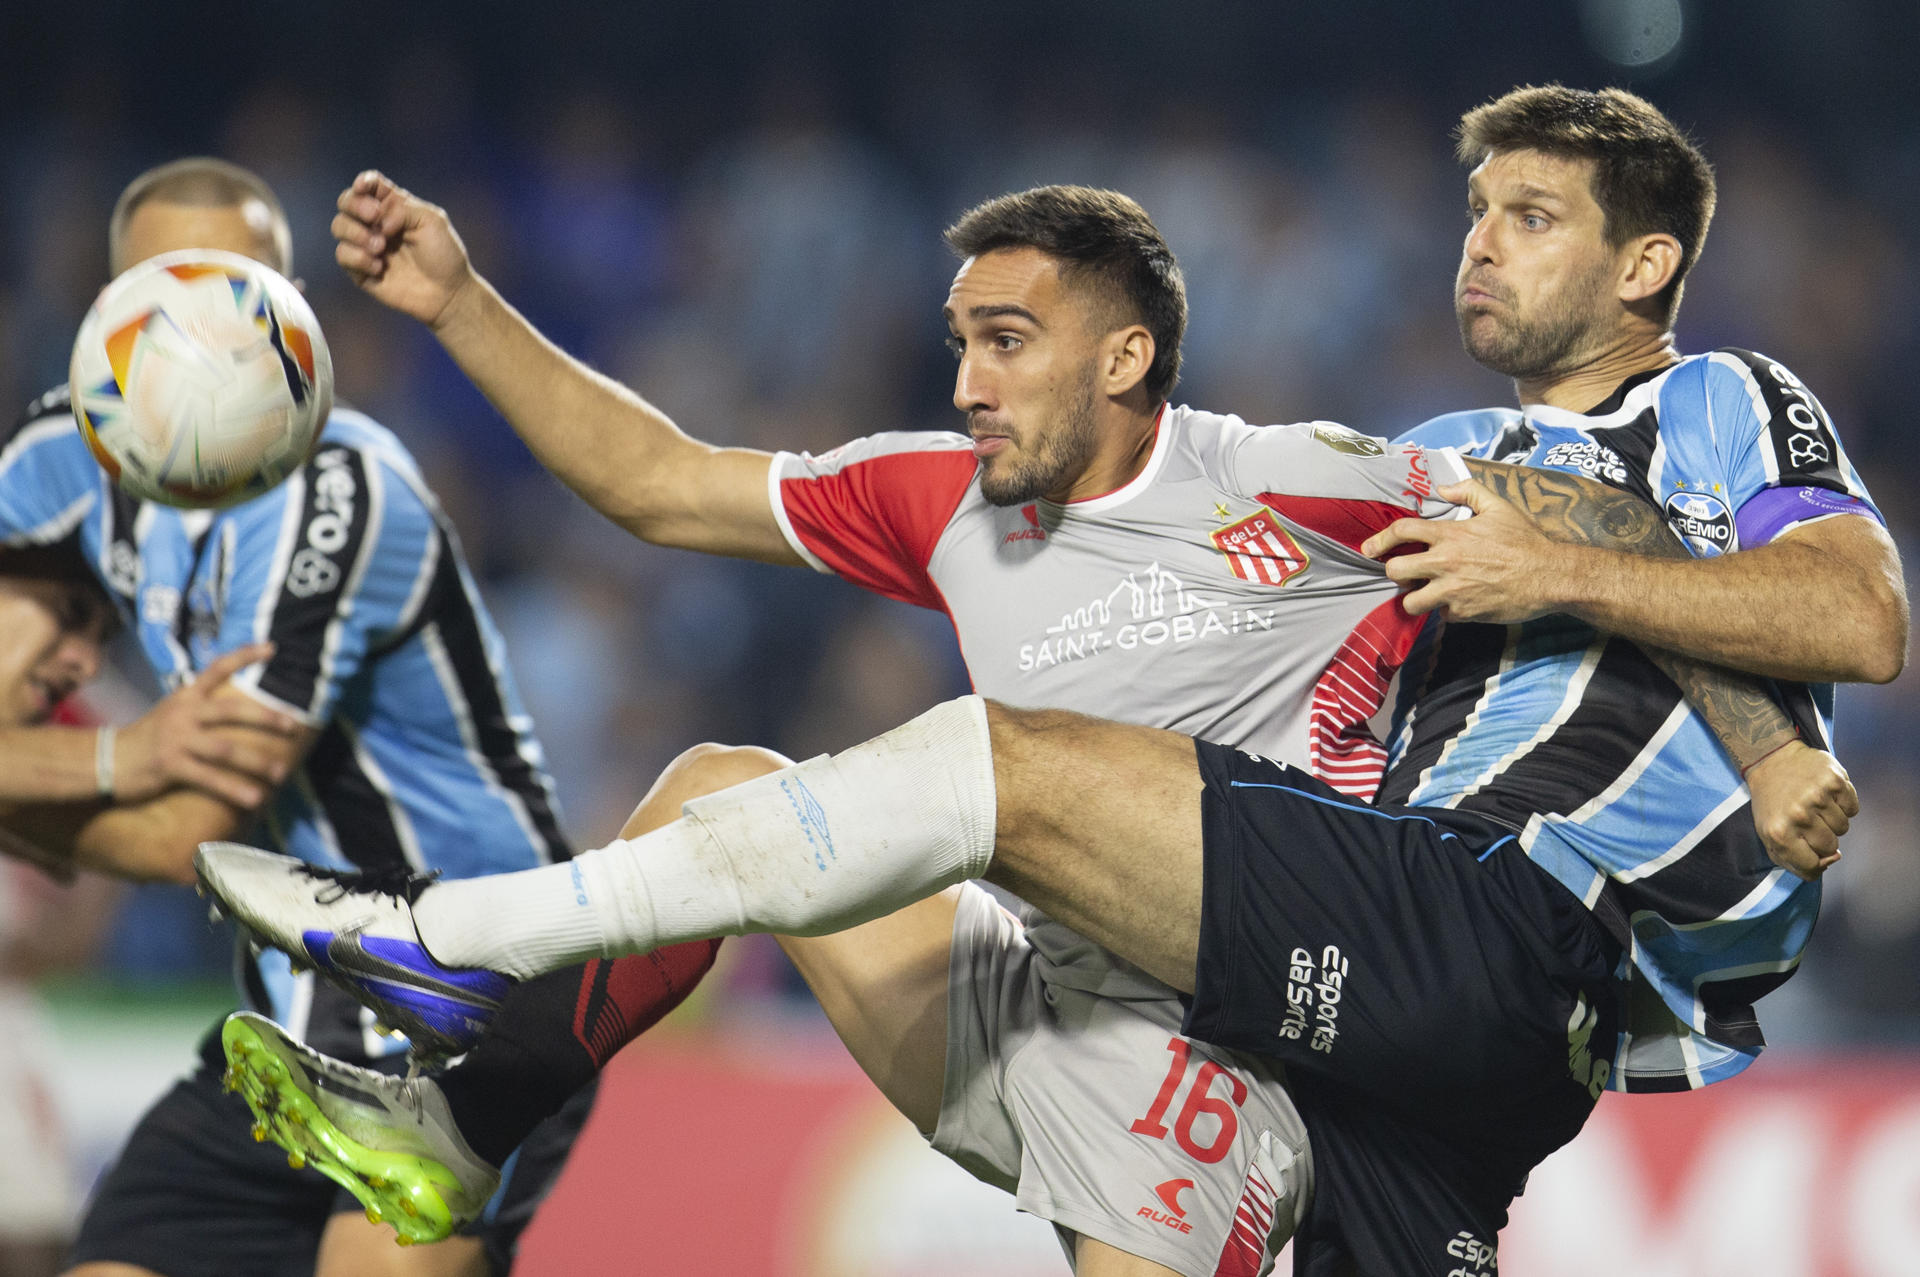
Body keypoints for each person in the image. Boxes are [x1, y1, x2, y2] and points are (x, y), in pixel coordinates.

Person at [205, 85, 1894, 1272]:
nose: (962, 376)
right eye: (956, 337)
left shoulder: (1329, 473)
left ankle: (452, 935)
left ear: (1126, 355)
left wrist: (1757, 754)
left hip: (1328, 989)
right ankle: (457, 1119)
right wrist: (460, 300)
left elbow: (1650, 547)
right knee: (731, 784)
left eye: (1002, 339)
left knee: (1000, 764)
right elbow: (661, 484)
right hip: (1139, 986)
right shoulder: (942, 495)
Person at [0, 159, 720, 1277]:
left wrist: (60, 773)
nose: (192, 327)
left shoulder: (343, 492)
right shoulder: (60, 457)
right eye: (160, 288)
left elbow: (177, 831)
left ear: (289, 308)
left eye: (228, 287)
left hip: (463, 1010)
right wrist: (111, 751)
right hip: (278, 1029)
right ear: (107, 307)